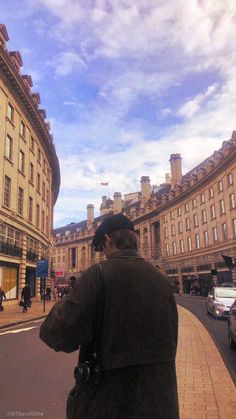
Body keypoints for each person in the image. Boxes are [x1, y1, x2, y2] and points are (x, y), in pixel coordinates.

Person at [40, 214, 179, 419]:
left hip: (108, 402)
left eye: (101, 248)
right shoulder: (162, 281)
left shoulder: (97, 275)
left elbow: (54, 333)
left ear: (107, 240)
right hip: (161, 404)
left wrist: (68, 298)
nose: (103, 255)